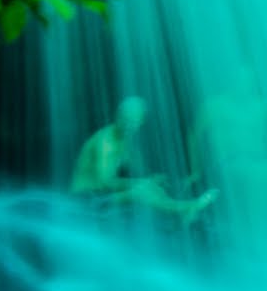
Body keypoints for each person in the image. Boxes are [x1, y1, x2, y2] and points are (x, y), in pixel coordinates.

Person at [71, 96, 217, 224]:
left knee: (153, 187)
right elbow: (104, 182)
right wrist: (140, 182)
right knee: (141, 191)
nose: (129, 126)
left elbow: (135, 166)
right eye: (125, 119)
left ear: (141, 122)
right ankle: (188, 207)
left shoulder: (124, 140)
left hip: (101, 197)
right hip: (86, 199)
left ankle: (178, 216)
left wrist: (152, 179)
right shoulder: (106, 143)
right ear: (117, 115)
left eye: (134, 122)